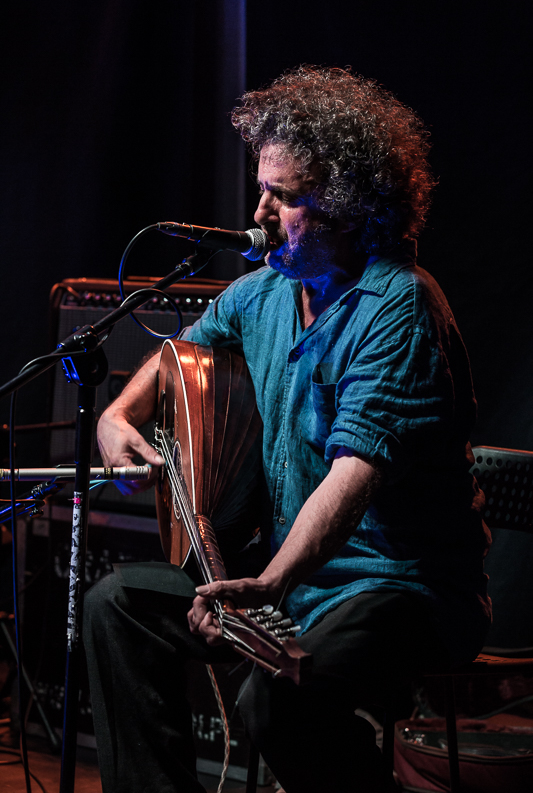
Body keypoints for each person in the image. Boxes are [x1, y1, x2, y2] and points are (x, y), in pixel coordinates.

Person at [84, 66, 492, 793]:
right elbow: (180, 354)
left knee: (280, 696)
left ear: (350, 206)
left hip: (398, 587)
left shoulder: (399, 308)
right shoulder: (265, 292)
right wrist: (118, 417)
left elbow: (352, 477)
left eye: (285, 196)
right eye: (261, 188)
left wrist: (268, 584)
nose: (260, 211)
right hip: (292, 579)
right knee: (117, 606)